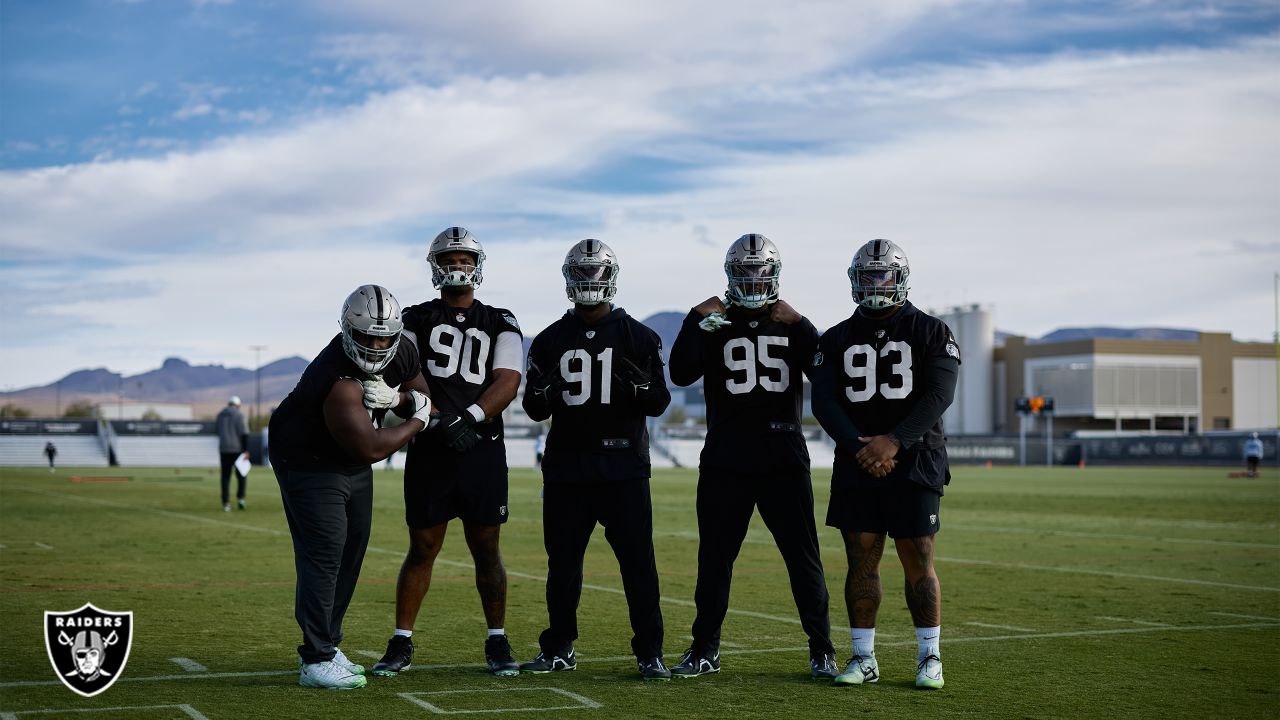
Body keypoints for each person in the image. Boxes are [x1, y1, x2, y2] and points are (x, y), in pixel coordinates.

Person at [667, 233, 838, 681]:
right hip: (727, 456)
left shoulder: (791, 324)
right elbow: (680, 372)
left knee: (803, 558)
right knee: (715, 560)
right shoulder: (714, 323)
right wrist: (693, 318)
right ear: (731, 274)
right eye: (745, 270)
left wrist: (801, 324)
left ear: (774, 274)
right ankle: (705, 649)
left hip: (782, 454)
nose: (753, 278)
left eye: (760, 270)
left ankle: (822, 650)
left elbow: (827, 376)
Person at [371, 227, 524, 679]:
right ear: (435, 265)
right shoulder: (415, 318)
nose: (458, 266)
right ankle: (401, 642)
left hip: (481, 446)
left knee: (486, 548)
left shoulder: (501, 319)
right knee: (422, 546)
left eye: (465, 259)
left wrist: (470, 417)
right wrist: (439, 419)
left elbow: (508, 378)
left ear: (478, 266)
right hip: (431, 445)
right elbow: (407, 373)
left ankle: (497, 641)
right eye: (449, 259)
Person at [520, 238, 673, 681]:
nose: (588, 281)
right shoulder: (549, 340)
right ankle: (560, 646)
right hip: (568, 468)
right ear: (569, 279)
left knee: (638, 564)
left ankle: (650, 651)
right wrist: (543, 392)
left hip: (623, 468)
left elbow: (660, 401)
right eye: (581, 273)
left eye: (594, 273)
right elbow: (534, 408)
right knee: (563, 566)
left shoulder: (639, 336)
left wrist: (642, 390)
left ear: (610, 277)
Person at [810, 239, 960, 690]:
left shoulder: (932, 330)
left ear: (900, 278)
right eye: (868, 276)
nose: (876, 284)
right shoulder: (835, 337)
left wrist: (893, 442)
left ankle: (929, 657)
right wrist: (863, 448)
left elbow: (940, 395)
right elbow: (823, 400)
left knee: (919, 557)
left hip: (916, 459)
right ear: (855, 281)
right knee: (861, 560)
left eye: (883, 275)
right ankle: (863, 658)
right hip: (859, 461)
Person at [269, 284, 434, 690]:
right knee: (325, 551)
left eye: (384, 336)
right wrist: (415, 420)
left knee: (351, 549)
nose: (377, 345)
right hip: (308, 460)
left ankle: (328, 642)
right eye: (366, 336)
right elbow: (372, 447)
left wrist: (397, 400)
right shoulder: (337, 377)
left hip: (350, 460)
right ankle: (315, 658)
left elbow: (424, 395)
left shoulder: (405, 350)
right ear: (347, 330)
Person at [215, 396, 250, 511]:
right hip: (238, 450)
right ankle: (240, 499)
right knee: (241, 475)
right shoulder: (240, 415)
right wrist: (246, 450)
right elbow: (244, 433)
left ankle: (226, 503)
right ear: (238, 405)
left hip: (224, 449)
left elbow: (217, 431)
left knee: (225, 477)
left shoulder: (220, 415)